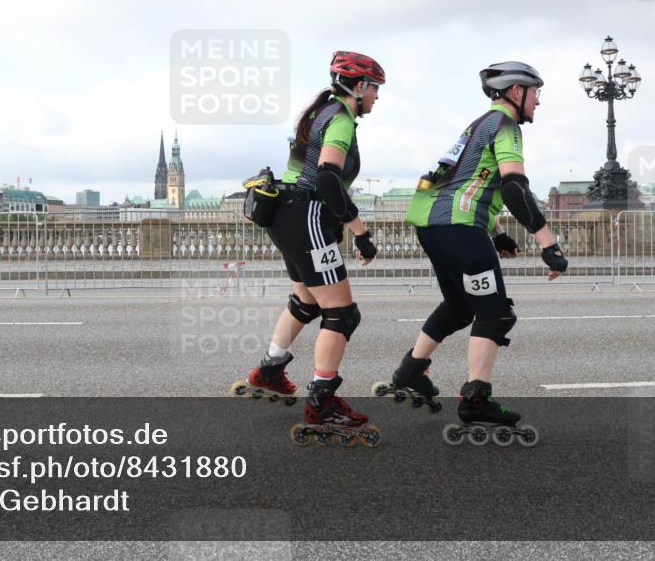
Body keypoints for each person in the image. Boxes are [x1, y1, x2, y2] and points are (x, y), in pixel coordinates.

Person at [386, 61, 568, 437]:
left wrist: (497, 232)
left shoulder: (479, 124)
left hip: (431, 223)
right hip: (459, 227)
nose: (538, 101)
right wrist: (547, 242)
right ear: (516, 91)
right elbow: (514, 186)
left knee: (459, 306)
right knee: (495, 314)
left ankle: (410, 370)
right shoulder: (507, 126)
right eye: (535, 93)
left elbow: (464, 182)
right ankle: (475, 400)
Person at [232, 50, 384, 445]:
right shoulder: (341, 118)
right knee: (342, 314)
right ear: (359, 87)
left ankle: (269, 371)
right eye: (375, 88)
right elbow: (328, 179)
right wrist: (360, 231)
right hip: (308, 216)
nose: (377, 97)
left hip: (286, 216)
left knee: (306, 301)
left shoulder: (320, 111)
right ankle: (323, 404)